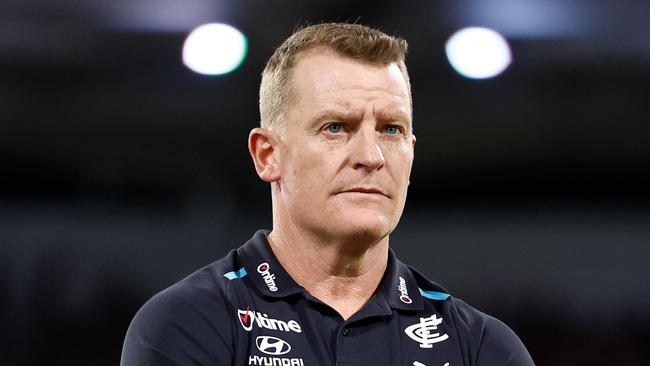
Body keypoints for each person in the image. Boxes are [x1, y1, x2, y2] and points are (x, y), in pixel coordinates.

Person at [121, 22, 535, 366]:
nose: (371, 157)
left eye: (391, 129)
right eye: (336, 127)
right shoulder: (188, 324)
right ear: (268, 155)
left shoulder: (483, 349)